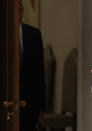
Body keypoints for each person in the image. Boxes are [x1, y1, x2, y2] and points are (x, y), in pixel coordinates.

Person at [19, 1, 45, 131]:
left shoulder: (33, 34)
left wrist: (41, 108)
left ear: (21, 11)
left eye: (19, 9)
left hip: (29, 103)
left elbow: (40, 73)